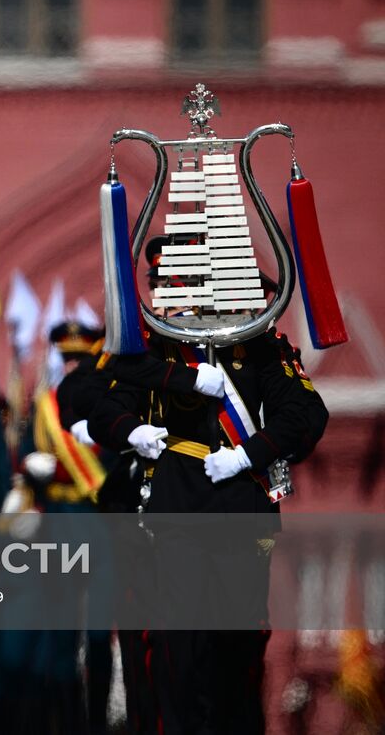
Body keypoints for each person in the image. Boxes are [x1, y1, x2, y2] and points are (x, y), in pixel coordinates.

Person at [90, 275, 328, 734]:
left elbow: (306, 414)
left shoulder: (260, 344)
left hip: (243, 510)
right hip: (180, 512)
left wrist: (247, 454)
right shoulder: (161, 348)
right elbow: (107, 407)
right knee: (180, 646)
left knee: (239, 650)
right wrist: (131, 430)